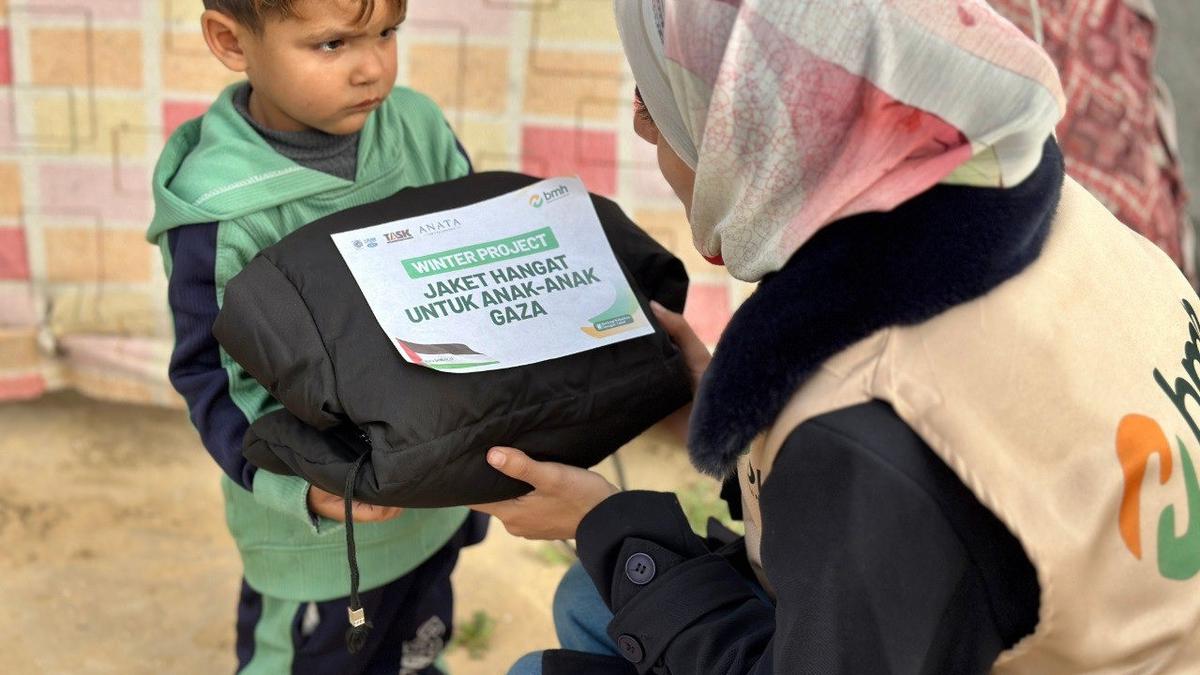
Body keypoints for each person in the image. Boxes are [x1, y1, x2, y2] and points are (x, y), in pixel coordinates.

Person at [474, 1, 1200, 673]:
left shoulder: (863, 417)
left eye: (657, 105)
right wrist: (728, 405)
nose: (649, 135)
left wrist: (605, 523)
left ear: (754, 130)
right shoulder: (1023, 197)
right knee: (591, 599)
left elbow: (879, 482)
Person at [146, 1, 482, 671]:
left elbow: (478, 268)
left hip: (436, 498)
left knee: (416, 650)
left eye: (386, 33)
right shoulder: (221, 211)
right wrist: (298, 488)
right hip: (324, 540)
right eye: (332, 44)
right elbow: (216, 382)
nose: (372, 68)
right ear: (231, 41)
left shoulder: (418, 128)